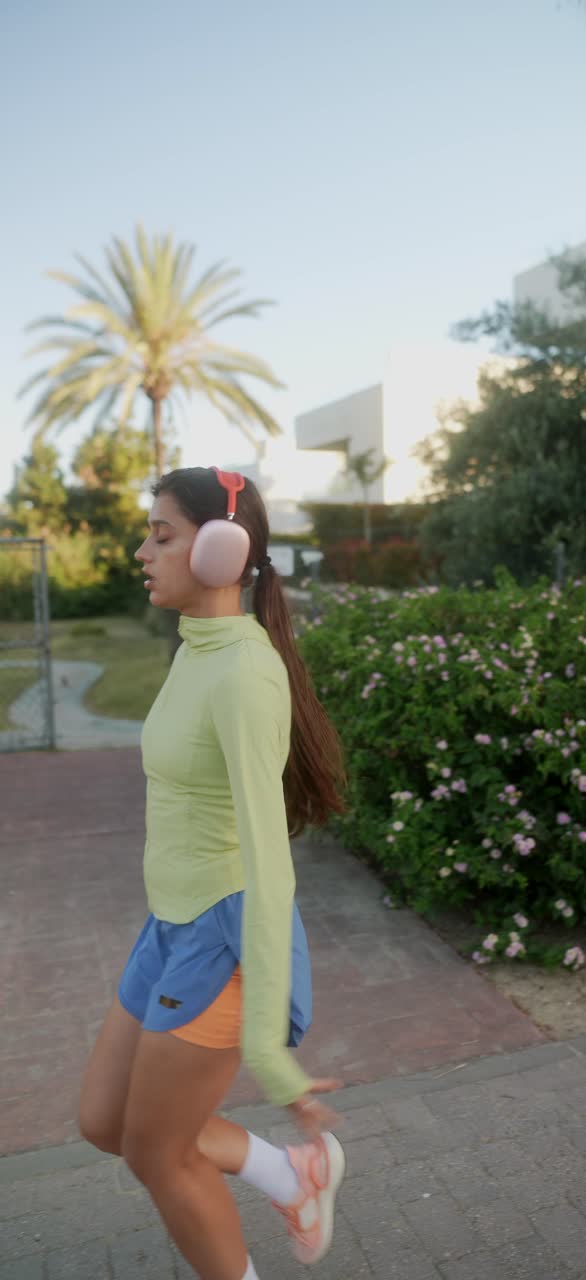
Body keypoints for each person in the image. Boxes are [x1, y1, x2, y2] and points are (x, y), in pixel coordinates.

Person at [78, 466, 347, 1280]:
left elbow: (270, 869)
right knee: (104, 1121)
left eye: (162, 536)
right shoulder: (198, 650)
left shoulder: (241, 674)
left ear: (226, 550)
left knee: (159, 1157)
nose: (141, 551)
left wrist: (271, 1051)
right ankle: (291, 1174)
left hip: (223, 937)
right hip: (170, 923)